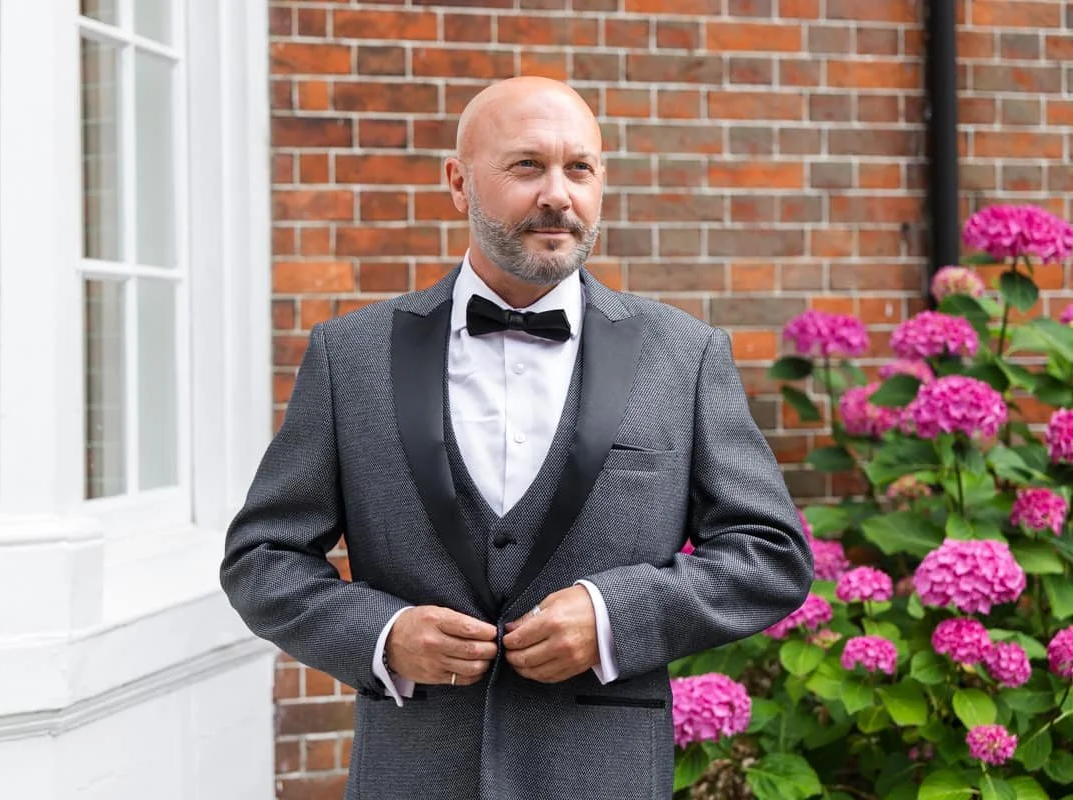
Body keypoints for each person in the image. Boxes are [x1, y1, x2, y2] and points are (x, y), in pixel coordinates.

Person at [220, 75, 813, 799]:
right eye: (527, 166)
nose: (558, 194)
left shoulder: (682, 356)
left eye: (580, 168)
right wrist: (384, 634)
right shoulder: (351, 356)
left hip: (603, 776)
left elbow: (771, 555)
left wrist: (610, 618)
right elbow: (262, 558)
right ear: (459, 183)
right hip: (412, 774)